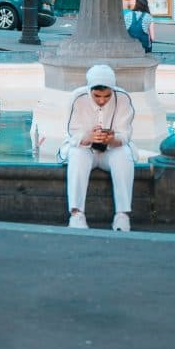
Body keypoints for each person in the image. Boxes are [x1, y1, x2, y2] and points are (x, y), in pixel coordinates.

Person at [59, 64, 135, 232]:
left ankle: (122, 216)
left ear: (113, 90)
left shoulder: (123, 98)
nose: (102, 100)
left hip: (111, 151)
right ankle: (76, 214)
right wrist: (88, 137)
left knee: (124, 154)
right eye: (97, 96)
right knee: (76, 154)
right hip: (85, 149)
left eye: (107, 96)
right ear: (89, 90)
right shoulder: (77, 97)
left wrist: (112, 139)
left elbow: (125, 135)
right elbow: (72, 134)